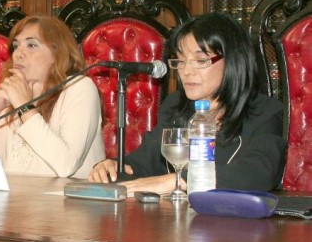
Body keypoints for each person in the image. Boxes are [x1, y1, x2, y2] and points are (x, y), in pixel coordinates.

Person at [88, 12, 287, 193]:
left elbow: (260, 173)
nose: (186, 71)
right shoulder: (175, 107)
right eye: (181, 61)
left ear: (233, 61)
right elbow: (144, 163)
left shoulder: (263, 112)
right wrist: (112, 167)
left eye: (200, 61)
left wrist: (178, 181)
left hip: (234, 226)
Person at [0, 15, 106, 178]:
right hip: (16, 201)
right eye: (15, 46)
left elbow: (66, 166)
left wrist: (25, 107)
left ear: (57, 54)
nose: (18, 54)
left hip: (69, 202)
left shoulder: (79, 87)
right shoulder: (11, 99)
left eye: (31, 45)